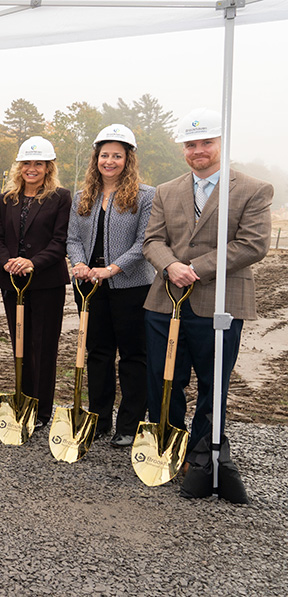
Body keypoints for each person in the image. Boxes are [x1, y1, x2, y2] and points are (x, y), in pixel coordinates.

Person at [142, 108, 273, 503]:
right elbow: (153, 240)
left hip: (220, 302)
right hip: (165, 302)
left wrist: (193, 268)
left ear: (221, 144)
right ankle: (168, 446)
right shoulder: (166, 190)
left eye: (206, 143)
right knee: (165, 380)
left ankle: (201, 456)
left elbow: (252, 245)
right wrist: (170, 266)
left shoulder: (253, 189)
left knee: (213, 385)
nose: (198, 151)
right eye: (191, 144)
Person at [66, 124, 155, 447]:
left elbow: (145, 241)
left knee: (133, 355)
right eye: (105, 155)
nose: (110, 161)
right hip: (90, 287)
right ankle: (99, 419)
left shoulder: (146, 196)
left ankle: (129, 424)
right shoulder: (83, 196)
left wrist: (112, 269)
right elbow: (72, 238)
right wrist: (79, 263)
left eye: (117, 155)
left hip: (131, 287)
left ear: (128, 159)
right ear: (96, 158)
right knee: (98, 353)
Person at [0, 136, 70, 429]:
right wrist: (8, 261)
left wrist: (32, 262)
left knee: (44, 346)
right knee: (19, 343)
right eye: (27, 163)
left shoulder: (60, 197)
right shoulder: (6, 199)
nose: (32, 169)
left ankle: (42, 409)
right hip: (12, 282)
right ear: (19, 166)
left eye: (38, 163)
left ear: (48, 167)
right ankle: (23, 401)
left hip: (46, 282)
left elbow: (60, 241)